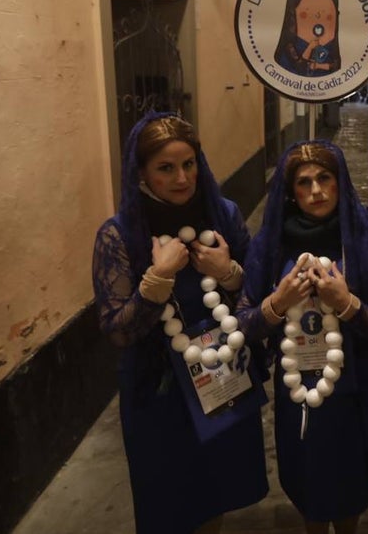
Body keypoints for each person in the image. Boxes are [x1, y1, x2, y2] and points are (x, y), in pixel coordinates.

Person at [91, 113, 268, 534]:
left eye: (188, 163)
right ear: (142, 173)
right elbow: (117, 330)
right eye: (165, 168)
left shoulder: (221, 214)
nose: (182, 178)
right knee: (169, 498)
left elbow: (257, 292)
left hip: (221, 374)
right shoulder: (119, 235)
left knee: (216, 489)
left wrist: (229, 273)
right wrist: (156, 281)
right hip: (159, 392)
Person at [237, 141, 368, 534]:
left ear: (340, 183)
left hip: (356, 390)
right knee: (308, 480)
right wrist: (278, 303)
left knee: (350, 484)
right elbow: (242, 324)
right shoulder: (271, 246)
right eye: (304, 182)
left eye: (325, 178)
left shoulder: (364, 239)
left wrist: (347, 305)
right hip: (299, 392)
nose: (316, 191)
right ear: (291, 191)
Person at [274, 0, 342, 76]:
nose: (318, 24)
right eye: (306, 15)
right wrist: (309, 48)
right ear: (293, 17)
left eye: (328, 17)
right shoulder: (289, 52)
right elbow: (297, 70)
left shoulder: (331, 51)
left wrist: (319, 66)